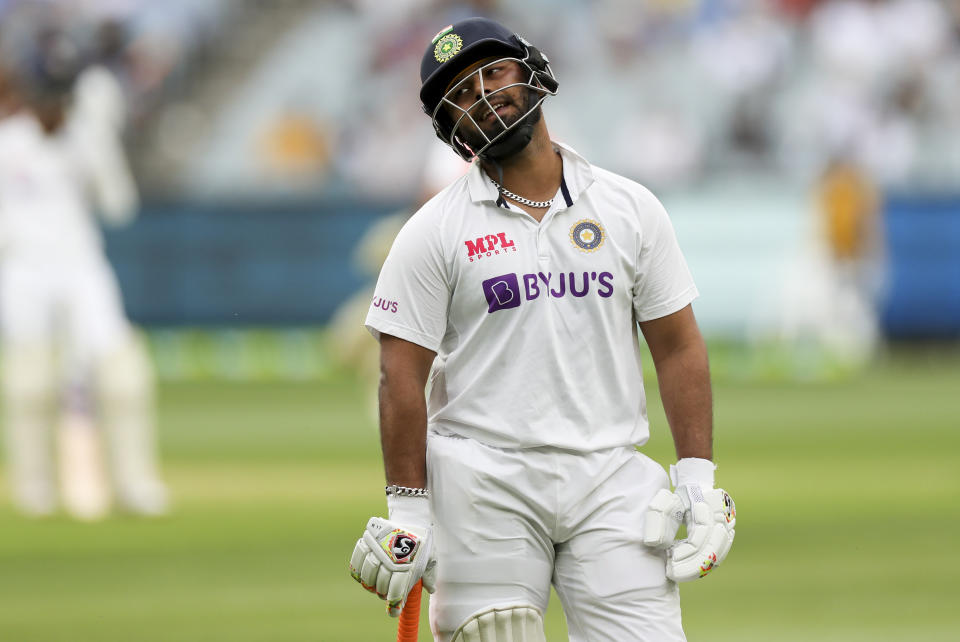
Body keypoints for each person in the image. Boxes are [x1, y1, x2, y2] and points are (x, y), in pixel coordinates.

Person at [349, 17, 736, 641]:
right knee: (495, 631)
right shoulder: (431, 232)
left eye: (493, 71)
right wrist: (409, 510)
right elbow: (401, 375)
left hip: (612, 477)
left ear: (532, 70)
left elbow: (678, 345)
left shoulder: (630, 208)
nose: (483, 94)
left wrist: (697, 476)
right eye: (460, 94)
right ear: (450, 129)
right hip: (482, 479)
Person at [0, 32, 166, 520]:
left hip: (80, 264)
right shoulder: (8, 144)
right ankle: (34, 489)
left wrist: (100, 143)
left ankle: (137, 484)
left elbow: (119, 207)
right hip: (24, 267)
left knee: (123, 375)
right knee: (29, 380)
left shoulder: (85, 137)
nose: (56, 109)